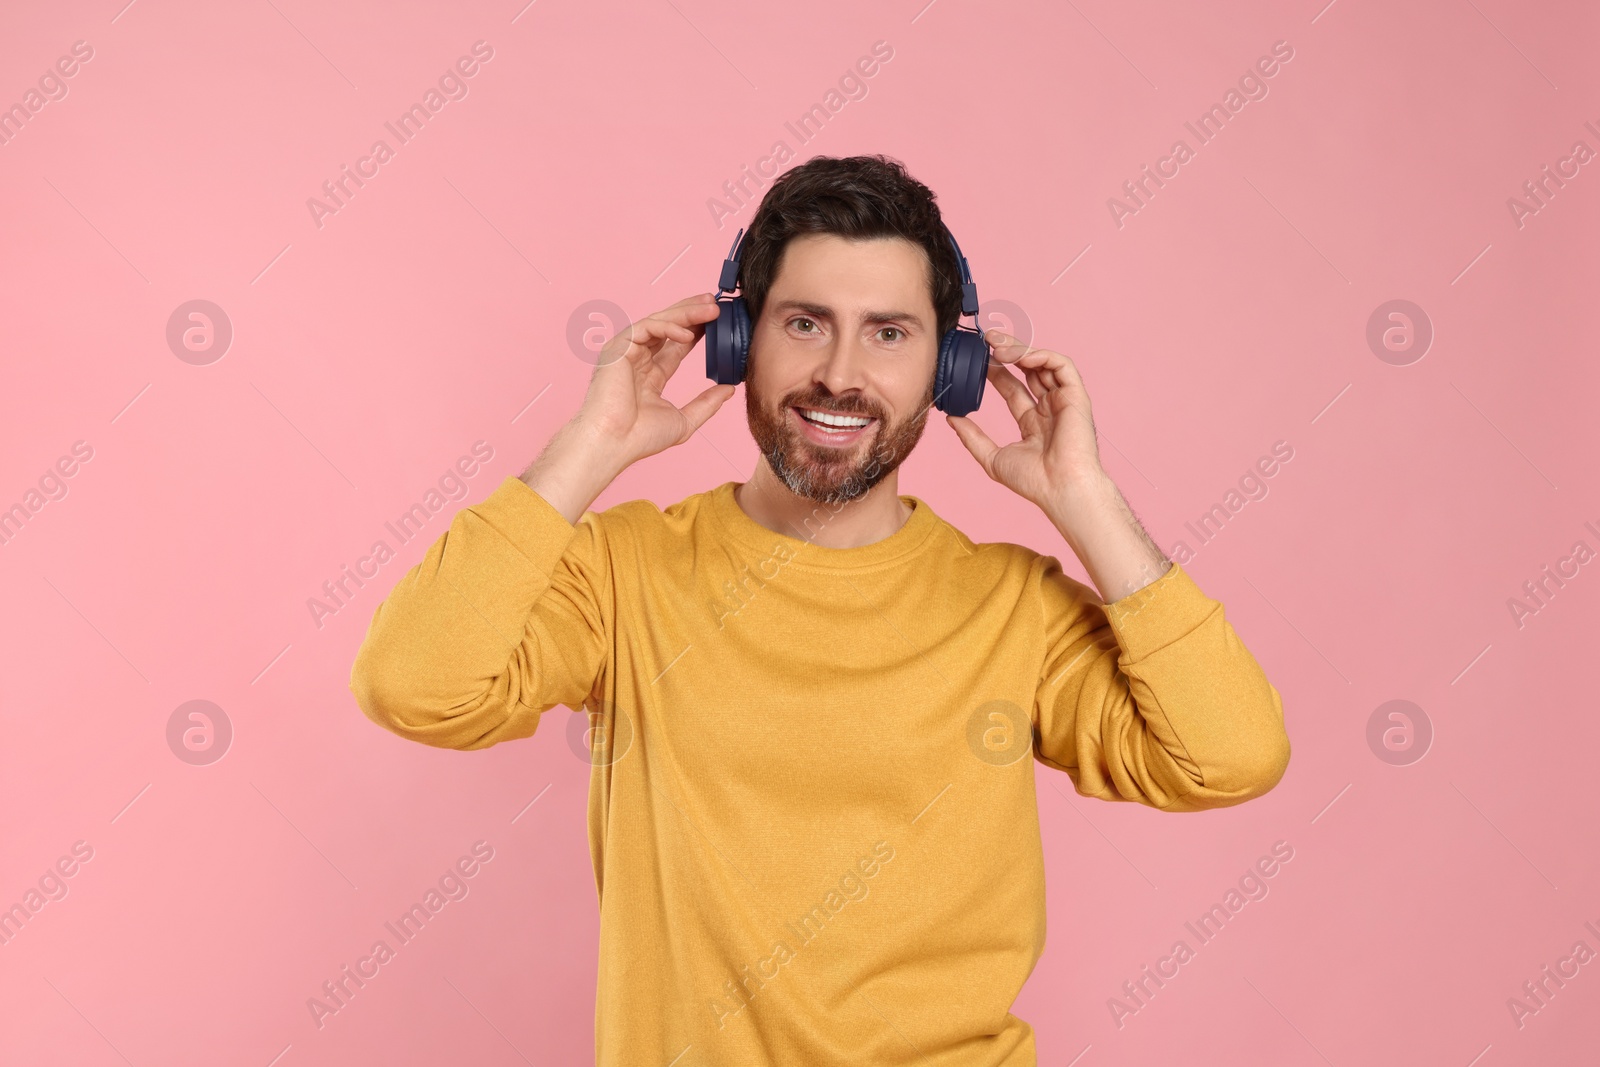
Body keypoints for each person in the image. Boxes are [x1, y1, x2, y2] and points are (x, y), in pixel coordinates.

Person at [349, 154, 1290, 1066]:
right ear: (738, 340)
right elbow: (413, 686)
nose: (841, 374)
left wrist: (1082, 498)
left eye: (889, 333)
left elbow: (1229, 756)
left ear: (950, 367)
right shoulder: (621, 573)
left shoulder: (1017, 607)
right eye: (805, 323)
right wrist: (590, 447)